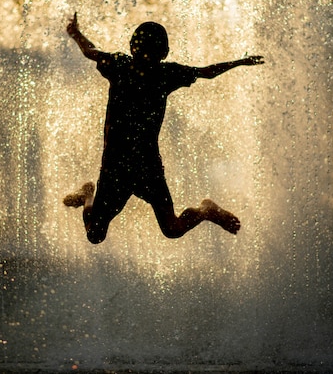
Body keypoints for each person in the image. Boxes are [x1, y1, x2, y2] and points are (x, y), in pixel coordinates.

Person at [63, 12, 264, 244]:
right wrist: (239, 62)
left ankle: (207, 210)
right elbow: (206, 71)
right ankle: (89, 193)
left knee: (167, 229)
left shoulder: (132, 67)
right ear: (165, 53)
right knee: (104, 234)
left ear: (131, 46)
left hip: (145, 166)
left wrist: (76, 33)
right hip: (116, 166)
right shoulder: (156, 71)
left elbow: (90, 50)